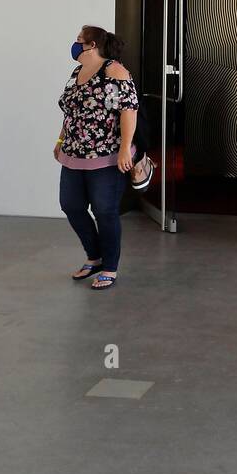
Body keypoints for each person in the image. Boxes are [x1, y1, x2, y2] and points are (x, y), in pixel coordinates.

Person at [55, 26, 140, 290]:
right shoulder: (76, 72)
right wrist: (60, 141)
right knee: (71, 205)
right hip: (73, 153)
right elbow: (71, 112)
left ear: (92, 45)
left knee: (105, 211)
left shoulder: (114, 71)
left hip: (106, 156)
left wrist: (126, 148)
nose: (75, 44)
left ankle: (110, 267)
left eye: (79, 40)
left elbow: (128, 110)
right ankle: (95, 257)